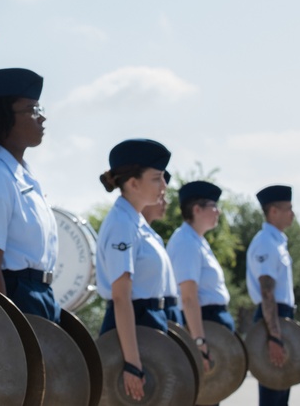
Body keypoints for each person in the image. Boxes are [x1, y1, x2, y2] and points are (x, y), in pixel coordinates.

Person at [0, 67, 59, 322]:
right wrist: (6, 327)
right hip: (15, 295)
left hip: (40, 294)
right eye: (32, 110)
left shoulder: (21, 173)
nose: (42, 118)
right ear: (2, 117)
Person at [95, 138, 174, 402]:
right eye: (157, 178)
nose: (164, 185)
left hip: (147, 322)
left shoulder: (135, 220)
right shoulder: (122, 223)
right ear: (133, 183)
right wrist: (131, 363)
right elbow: (121, 297)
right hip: (132, 327)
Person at [166, 180, 233, 398]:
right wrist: (200, 343)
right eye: (213, 206)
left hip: (211, 322)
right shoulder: (186, 242)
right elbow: (188, 298)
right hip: (202, 323)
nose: (218, 211)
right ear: (197, 209)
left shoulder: (197, 240)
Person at [246, 184, 296, 406]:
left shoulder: (277, 242)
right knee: (272, 393)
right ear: (273, 211)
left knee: (282, 389)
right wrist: (274, 336)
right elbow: (267, 292)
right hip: (271, 318)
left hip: (279, 317)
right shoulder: (266, 242)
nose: (293, 214)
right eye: (289, 208)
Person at [142, 174, 182, 327]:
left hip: (164, 310)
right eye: (161, 197)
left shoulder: (153, 236)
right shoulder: (129, 228)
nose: (165, 202)